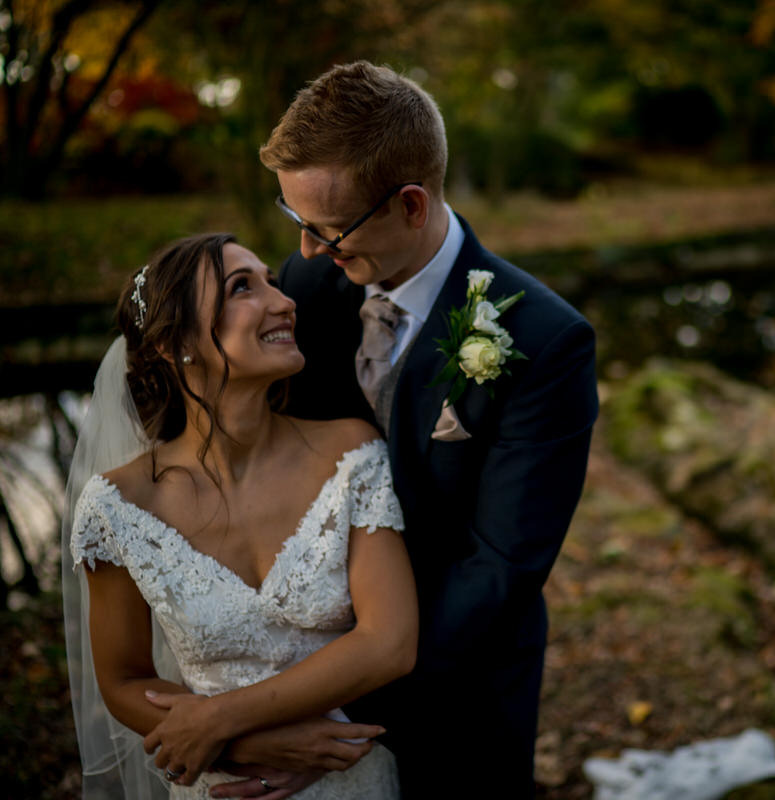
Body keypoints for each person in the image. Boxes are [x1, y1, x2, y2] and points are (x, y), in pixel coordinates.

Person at [259, 61, 599, 796]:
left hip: (459, 692)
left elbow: (500, 567)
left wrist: (340, 705)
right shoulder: (309, 284)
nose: (311, 250)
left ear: (411, 204)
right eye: (298, 224)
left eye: (329, 228)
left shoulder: (543, 340)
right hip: (303, 653)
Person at [62, 232, 418, 799]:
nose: (284, 302)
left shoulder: (351, 453)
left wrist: (220, 719)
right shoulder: (117, 505)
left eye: (272, 282)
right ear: (175, 341)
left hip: (350, 777)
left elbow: (389, 643)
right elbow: (124, 681)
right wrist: (243, 746)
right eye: (242, 288)